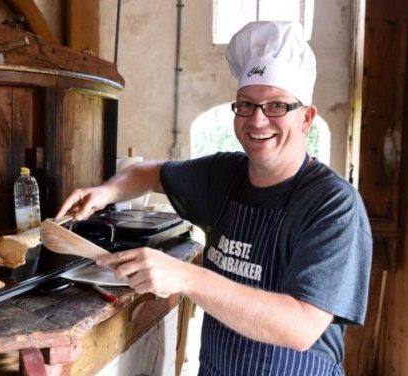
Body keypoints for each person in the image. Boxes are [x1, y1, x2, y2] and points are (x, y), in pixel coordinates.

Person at [55, 21, 372, 375]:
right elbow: (150, 171)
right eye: (246, 105)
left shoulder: (332, 205)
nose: (258, 120)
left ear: (306, 119)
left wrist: (185, 277)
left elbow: (300, 327)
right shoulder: (224, 175)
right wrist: (105, 192)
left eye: (277, 106)